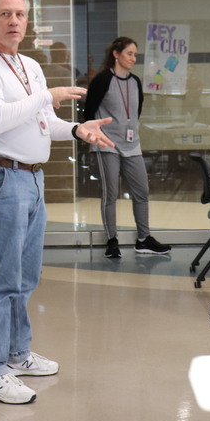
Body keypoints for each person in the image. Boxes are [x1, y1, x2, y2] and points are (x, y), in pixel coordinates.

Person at [0, 0, 114, 404]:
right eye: (5, 14)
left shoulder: (28, 65)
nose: (14, 21)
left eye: (21, 15)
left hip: (33, 179)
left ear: (28, 22)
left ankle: (16, 353)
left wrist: (78, 130)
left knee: (25, 277)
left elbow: (45, 121)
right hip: (3, 179)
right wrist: (48, 96)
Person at [83, 37, 171, 259]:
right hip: (107, 146)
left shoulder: (135, 82)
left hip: (132, 145)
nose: (133, 58)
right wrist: (98, 138)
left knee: (141, 192)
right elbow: (89, 114)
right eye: (129, 53)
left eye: (135, 55)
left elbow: (136, 112)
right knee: (110, 194)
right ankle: (112, 241)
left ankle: (144, 239)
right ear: (116, 54)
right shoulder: (103, 80)